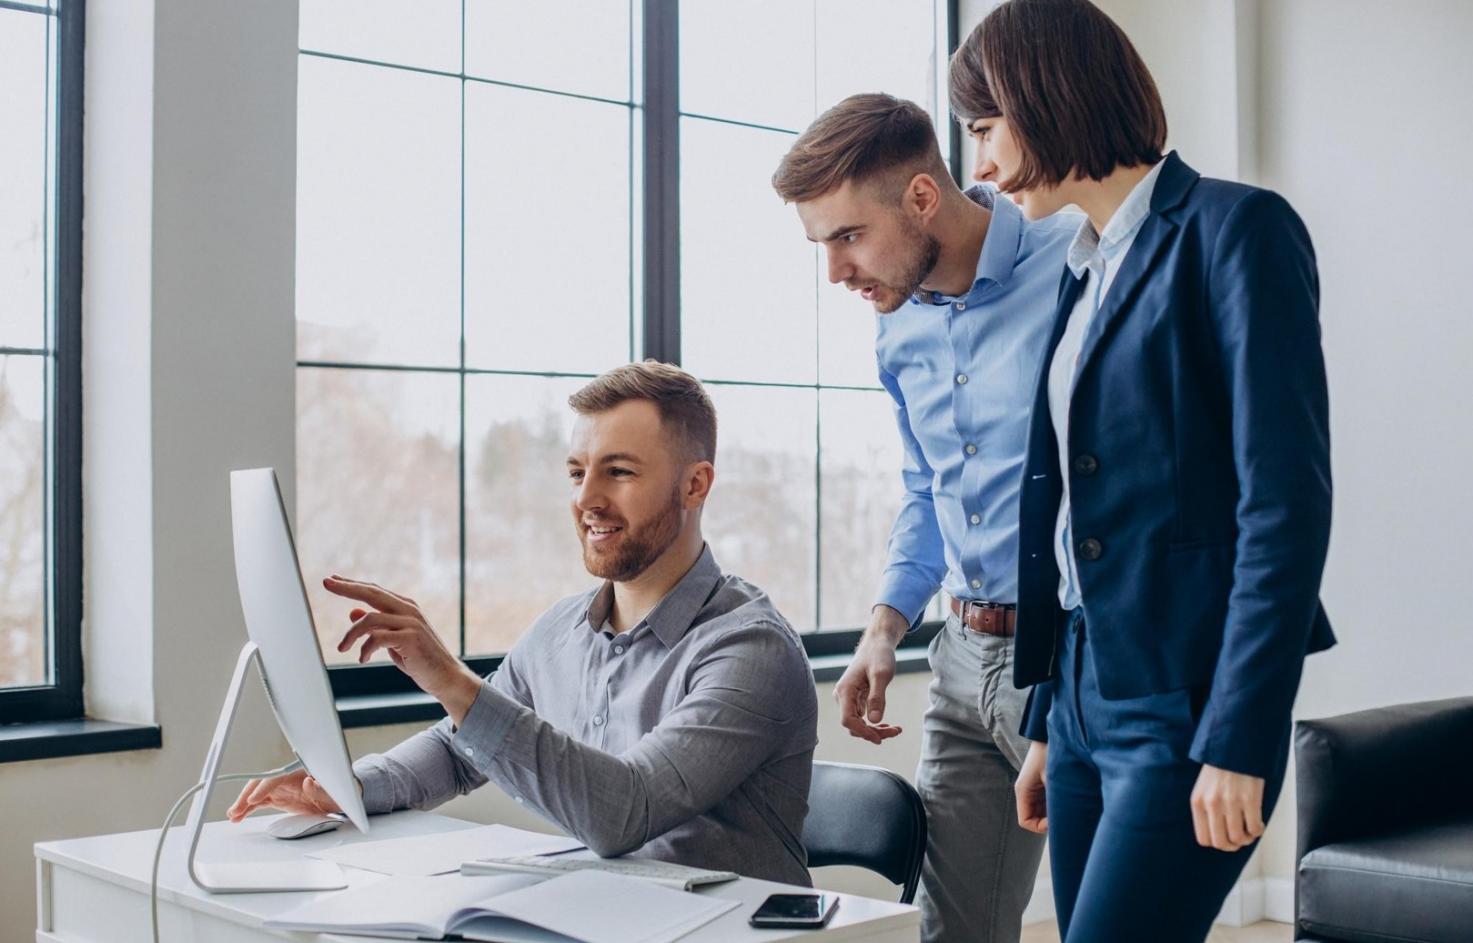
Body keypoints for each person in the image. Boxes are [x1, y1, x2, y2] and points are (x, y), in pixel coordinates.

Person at [952, 2, 1336, 939]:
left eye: (983, 128)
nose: (980, 164)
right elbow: (1072, 518)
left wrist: (1241, 738)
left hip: (1183, 700)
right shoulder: (1082, 272)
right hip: (1082, 689)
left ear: (1046, 97)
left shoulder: (1235, 231)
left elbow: (1282, 506)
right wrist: (1048, 716)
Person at [227, 362, 819, 886]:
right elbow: (463, 750)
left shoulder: (749, 648)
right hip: (605, 917)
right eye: (576, 472)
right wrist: (352, 788)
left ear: (695, 484)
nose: (587, 497)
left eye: (619, 472)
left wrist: (454, 682)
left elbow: (625, 814)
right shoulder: (563, 629)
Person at [772, 93, 1077, 943]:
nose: (835, 271)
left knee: (1105, 915)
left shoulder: (1074, 263)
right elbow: (930, 488)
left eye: (847, 236)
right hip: (959, 656)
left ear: (918, 197)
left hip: (1073, 652)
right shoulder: (897, 325)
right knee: (955, 932)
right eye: (820, 245)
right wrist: (884, 625)